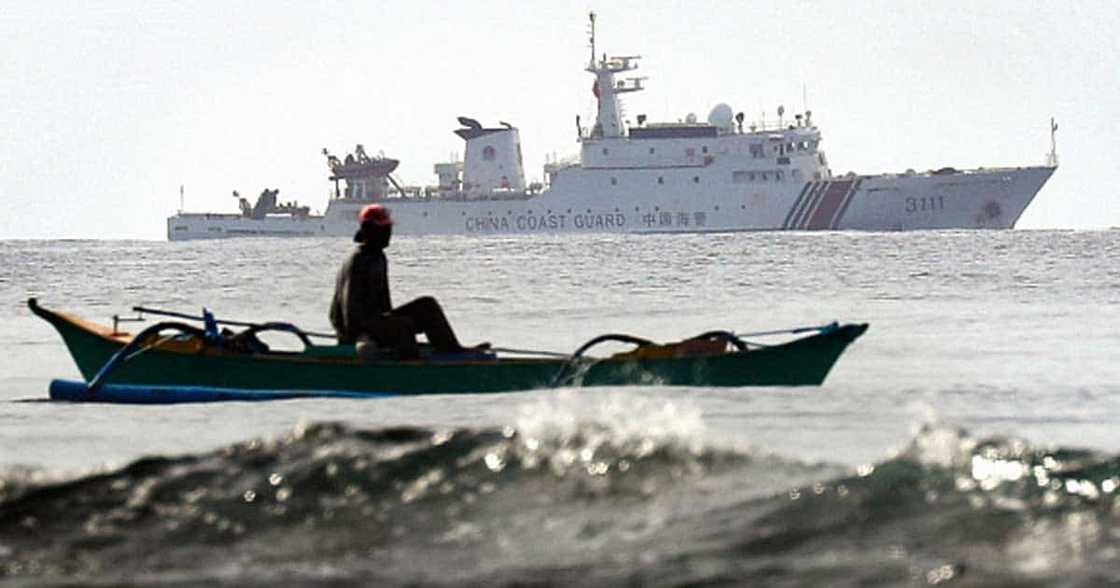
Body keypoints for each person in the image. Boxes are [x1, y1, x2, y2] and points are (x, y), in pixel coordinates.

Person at [330, 204, 477, 359]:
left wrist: (391, 325)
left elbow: (385, 306)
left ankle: (452, 351)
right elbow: (349, 316)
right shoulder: (358, 260)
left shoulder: (379, 257)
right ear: (368, 230)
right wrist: (368, 335)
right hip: (357, 330)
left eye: (388, 229)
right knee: (403, 325)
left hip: (375, 324)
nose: (388, 234)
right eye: (383, 230)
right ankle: (412, 367)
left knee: (427, 306)